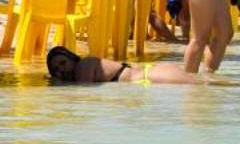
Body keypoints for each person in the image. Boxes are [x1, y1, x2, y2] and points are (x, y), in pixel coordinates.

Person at [46, 46, 204, 85]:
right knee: (202, 87)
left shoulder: (83, 66)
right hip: (152, 74)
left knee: (200, 88)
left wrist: (58, 83)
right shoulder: (84, 66)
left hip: (151, 76)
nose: (62, 69)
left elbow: (80, 94)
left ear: (73, 58)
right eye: (56, 69)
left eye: (63, 63)